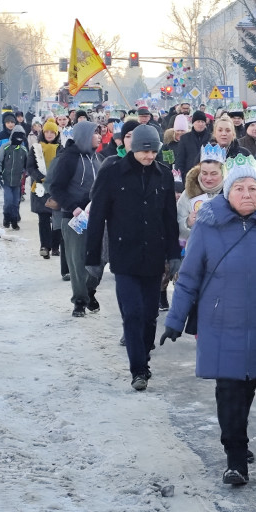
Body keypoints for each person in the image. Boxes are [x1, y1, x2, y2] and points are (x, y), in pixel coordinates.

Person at [162, 155, 256, 486]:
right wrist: (175, 320)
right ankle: (235, 458)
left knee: (248, 388)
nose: (248, 194)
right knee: (229, 389)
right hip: (220, 321)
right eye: (241, 188)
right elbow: (189, 277)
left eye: (253, 189)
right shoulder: (208, 224)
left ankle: (237, 435)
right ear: (228, 192)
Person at [86, 124, 180, 391]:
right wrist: (93, 258)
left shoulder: (163, 175)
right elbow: (97, 217)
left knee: (150, 314)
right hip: (124, 254)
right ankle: (138, 369)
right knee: (133, 313)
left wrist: (174, 253)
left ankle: (144, 357)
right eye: (144, 151)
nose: (149, 156)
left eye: (153, 152)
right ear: (134, 148)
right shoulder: (112, 173)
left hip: (153, 254)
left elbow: (169, 219)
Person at [47, 121, 103, 317]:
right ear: (84, 136)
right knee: (77, 261)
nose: (99, 136)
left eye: (99, 133)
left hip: (97, 217)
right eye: (95, 133)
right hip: (74, 218)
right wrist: (74, 207)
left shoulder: (97, 158)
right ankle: (79, 300)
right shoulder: (68, 158)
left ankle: (89, 290)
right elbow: (55, 187)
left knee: (101, 258)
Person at [26, 119, 63, 258]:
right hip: (40, 188)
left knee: (57, 218)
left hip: (55, 187)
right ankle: (44, 246)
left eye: (51, 132)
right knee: (44, 218)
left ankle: (55, 246)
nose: (49, 134)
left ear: (56, 133)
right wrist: (41, 178)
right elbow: (30, 167)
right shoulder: (36, 148)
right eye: (46, 131)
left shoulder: (61, 148)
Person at [178, 144, 226, 245]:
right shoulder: (188, 193)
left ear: (222, 173)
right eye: (204, 173)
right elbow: (176, 225)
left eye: (213, 174)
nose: (208, 178)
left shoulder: (230, 193)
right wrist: (188, 222)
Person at [0, 125, 28, 230]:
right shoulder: (5, 147)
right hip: (6, 179)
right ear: (12, 135)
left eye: (21, 137)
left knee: (16, 201)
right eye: (16, 136)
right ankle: (6, 217)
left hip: (18, 181)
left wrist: (26, 173)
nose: (18, 139)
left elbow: (27, 164)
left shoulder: (23, 150)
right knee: (8, 200)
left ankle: (14, 221)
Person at [174, 110, 211, 179]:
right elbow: (180, 160)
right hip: (189, 176)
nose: (200, 124)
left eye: (202, 122)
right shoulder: (185, 138)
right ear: (193, 123)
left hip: (206, 176)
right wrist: (181, 177)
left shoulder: (211, 138)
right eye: (198, 121)